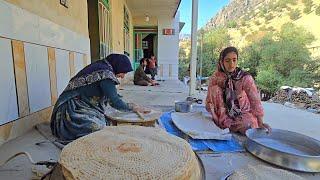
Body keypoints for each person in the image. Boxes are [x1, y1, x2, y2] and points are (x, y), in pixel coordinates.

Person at [51, 54, 147, 142]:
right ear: (118, 66)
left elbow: (113, 95)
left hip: (82, 102)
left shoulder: (103, 66)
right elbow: (114, 102)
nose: (122, 76)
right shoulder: (106, 74)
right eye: (123, 72)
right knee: (98, 129)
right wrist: (132, 107)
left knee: (107, 121)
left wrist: (130, 105)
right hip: (71, 109)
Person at [205, 47, 271, 134]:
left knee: (248, 126)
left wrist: (260, 121)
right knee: (215, 90)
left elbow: (255, 100)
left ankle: (233, 125)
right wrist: (214, 113)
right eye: (227, 60)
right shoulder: (215, 78)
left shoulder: (244, 77)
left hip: (242, 112)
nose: (231, 64)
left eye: (234, 60)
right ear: (222, 62)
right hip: (223, 113)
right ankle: (223, 122)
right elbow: (209, 101)